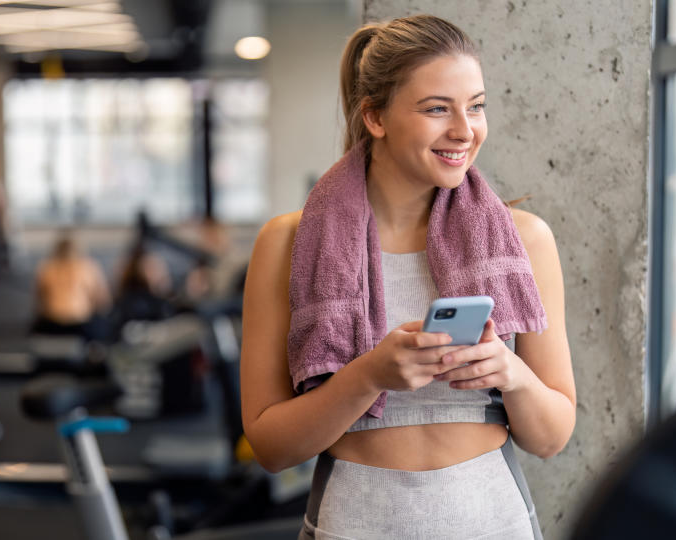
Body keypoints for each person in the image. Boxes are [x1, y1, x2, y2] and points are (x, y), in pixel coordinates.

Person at [239, 14, 574, 539]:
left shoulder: (523, 240)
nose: (465, 130)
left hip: (494, 523)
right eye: (438, 108)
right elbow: (271, 448)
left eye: (477, 106)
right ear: (375, 116)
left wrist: (510, 373)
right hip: (353, 525)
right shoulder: (286, 243)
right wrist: (368, 375)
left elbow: (552, 437)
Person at [33, 233, 111, 342]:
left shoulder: (47, 268)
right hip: (81, 324)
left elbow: (40, 300)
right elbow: (102, 300)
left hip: (52, 324)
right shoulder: (88, 267)